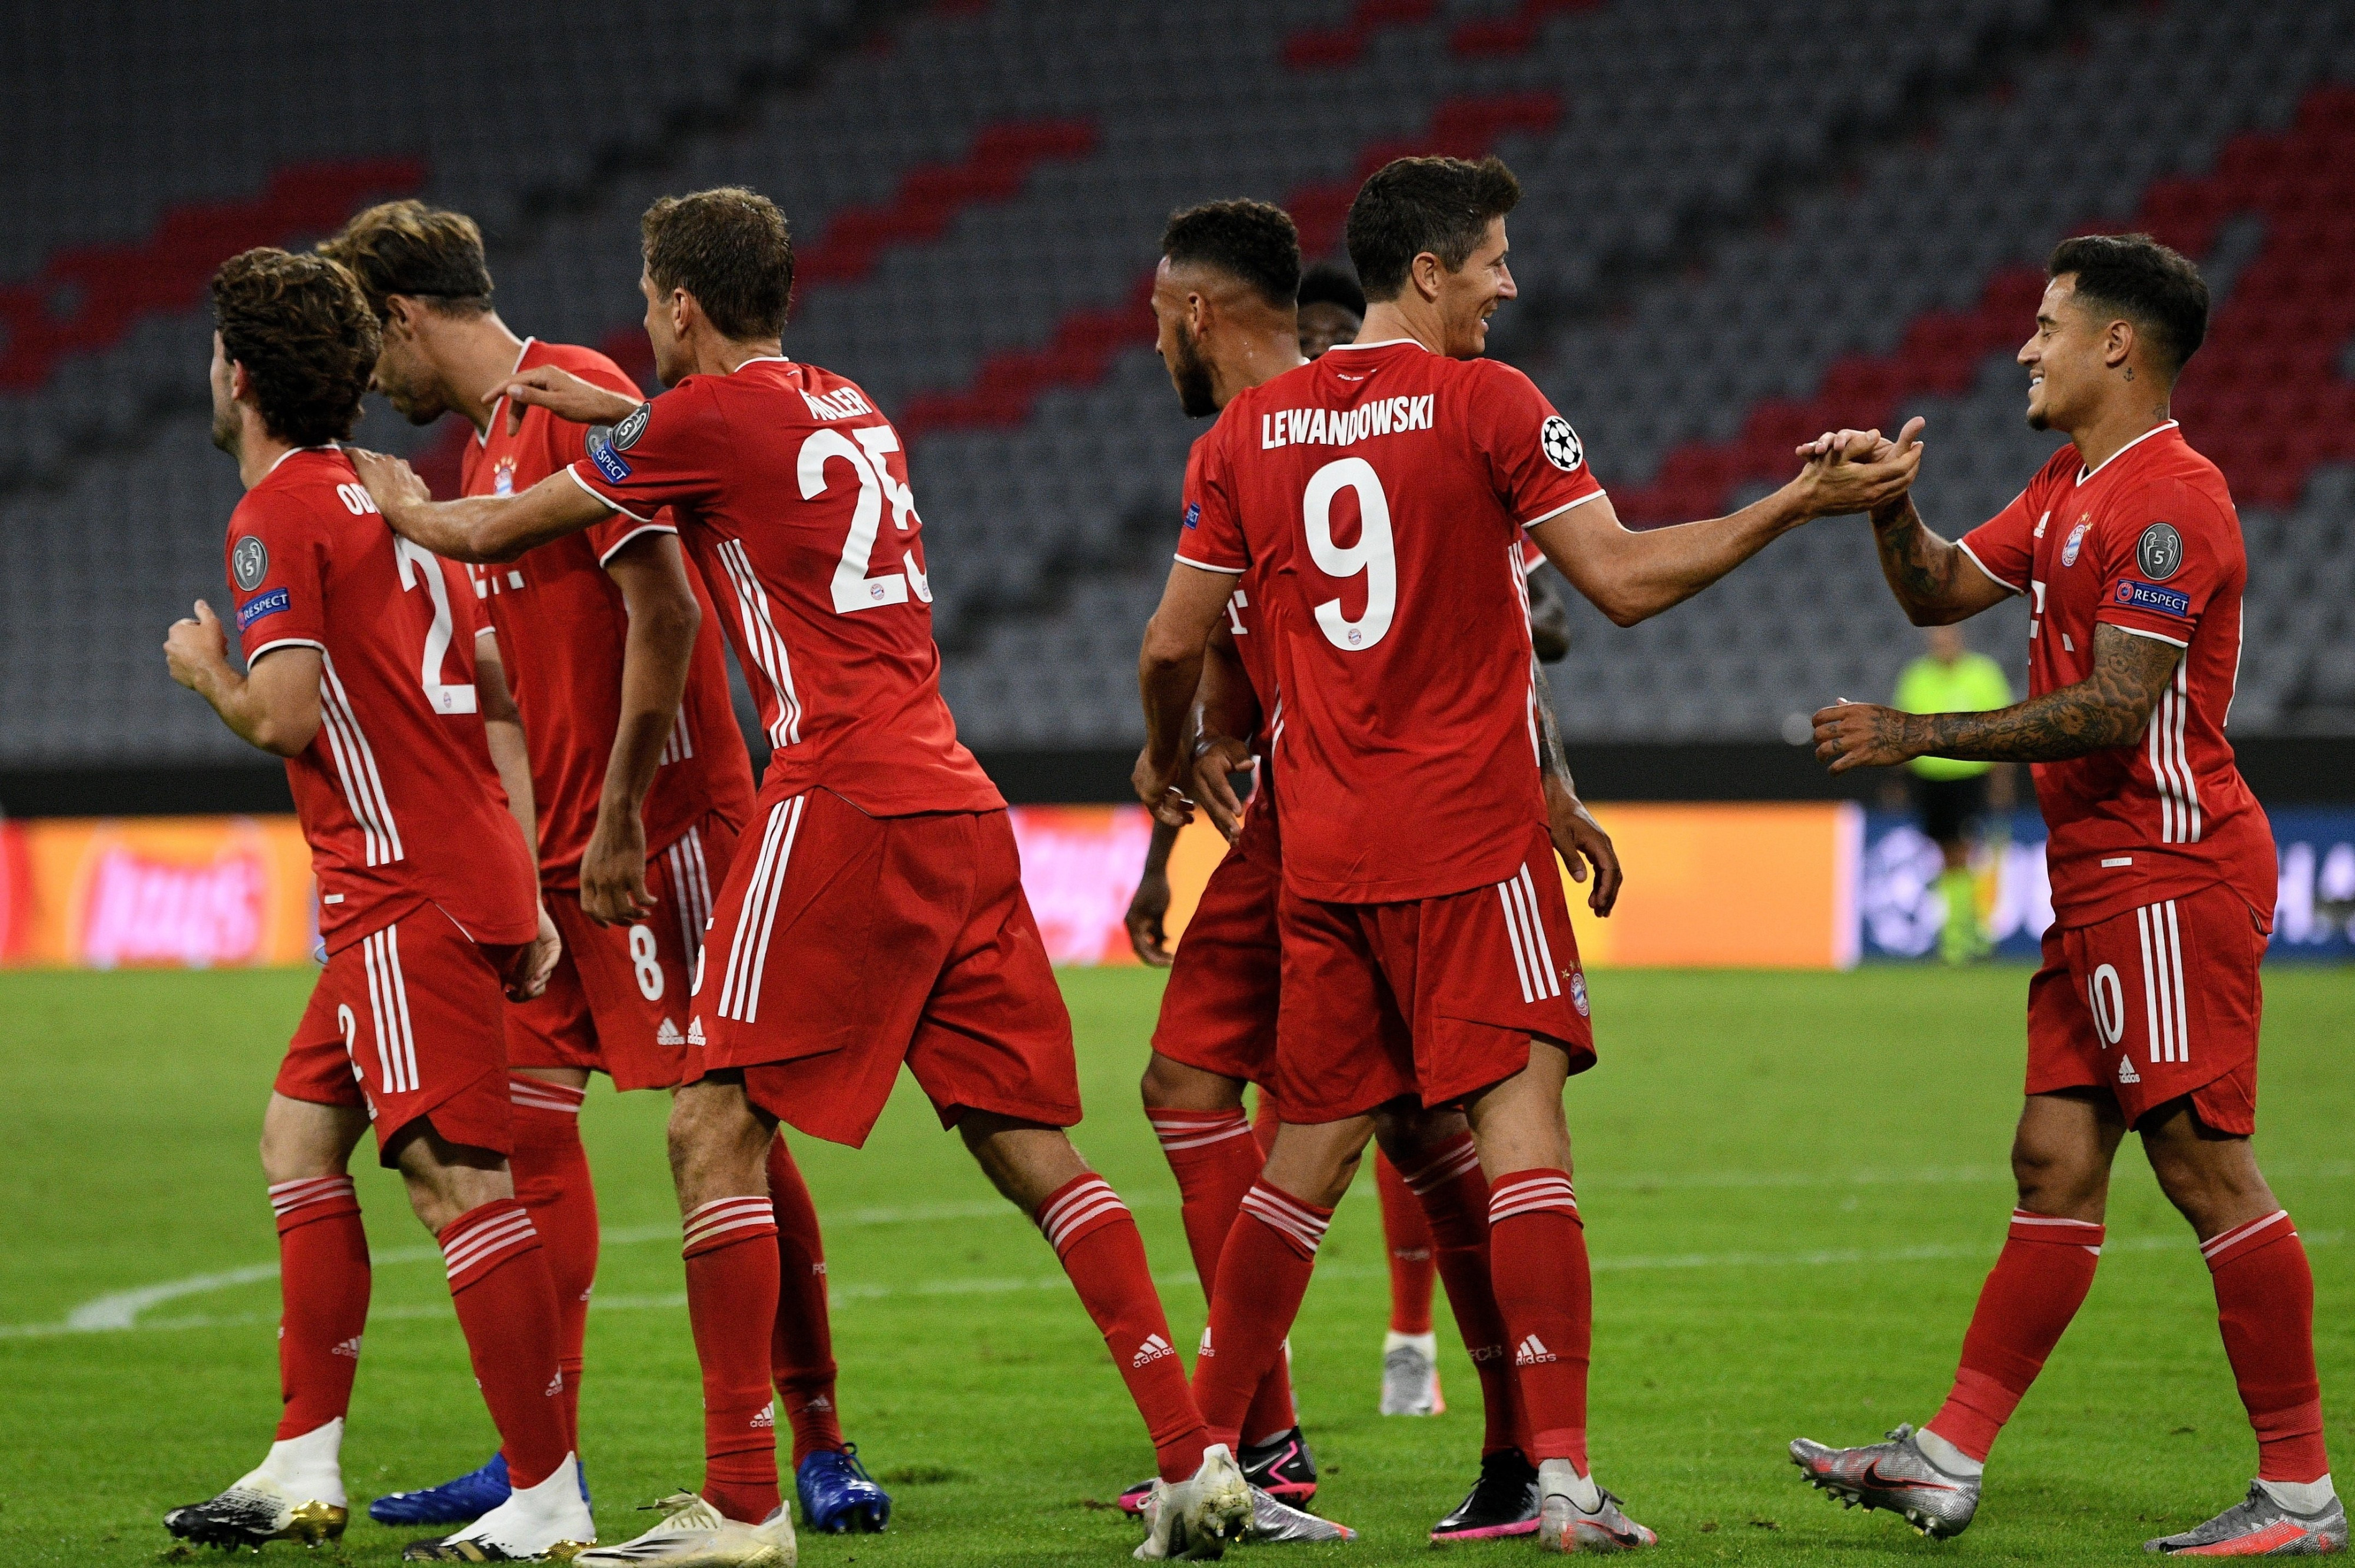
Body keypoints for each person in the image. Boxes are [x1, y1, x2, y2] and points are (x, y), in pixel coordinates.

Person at [351, 185, 1253, 1564]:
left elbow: (495, 534)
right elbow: (715, 451)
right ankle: (1195, 1464)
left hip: (838, 796)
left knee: (710, 1125)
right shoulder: (849, 403)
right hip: (956, 798)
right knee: (1034, 1152)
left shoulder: (695, 422)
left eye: (650, 298)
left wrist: (407, 506)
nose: (642, 319)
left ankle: (741, 1500)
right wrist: (618, 421)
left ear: (679, 305)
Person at [1135, 154, 1917, 1554]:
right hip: (1463, 838)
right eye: (1493, 257)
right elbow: (1616, 581)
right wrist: (1794, 506)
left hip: (1322, 855)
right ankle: (1557, 1476)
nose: (1510, 281)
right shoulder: (1489, 402)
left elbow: (1172, 642)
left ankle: (1201, 1462)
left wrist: (1171, 746)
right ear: (1426, 272)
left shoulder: (1242, 436)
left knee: (1297, 1162)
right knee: (1522, 1140)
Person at [316, 201, 886, 1537]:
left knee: (737, 1128)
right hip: (567, 855)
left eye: (366, 342)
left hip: (669, 833)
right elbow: (529, 681)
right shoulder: (483, 450)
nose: (366, 377)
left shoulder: (587, 400)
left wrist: (626, 810)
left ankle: (814, 1436)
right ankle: (540, 1460)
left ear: (403, 316)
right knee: (516, 1129)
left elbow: (669, 612)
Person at [1795, 234, 2340, 1553]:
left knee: (2201, 1164)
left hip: (2167, 867)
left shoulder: (2171, 503)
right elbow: (1935, 582)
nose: (2022, 346)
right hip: (2094, 876)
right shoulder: (2061, 483)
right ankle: (1944, 1455)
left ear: (2115, 343)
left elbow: (2113, 704)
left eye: (2044, 326)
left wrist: (1923, 735)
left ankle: (2301, 1490)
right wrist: (1884, 501)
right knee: (2051, 1162)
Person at [160, 247, 594, 1563]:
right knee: (301, 1137)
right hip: (450, 865)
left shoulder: (278, 515)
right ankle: (301, 1457)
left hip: (398, 888)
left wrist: (206, 674)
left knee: (454, 1178)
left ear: (239, 374)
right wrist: (517, 875)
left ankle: (548, 1490)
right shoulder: (388, 493)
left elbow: (287, 713)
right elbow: (488, 689)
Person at [1890, 624, 2014, 964]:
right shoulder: (1916, 676)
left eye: (1947, 638)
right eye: (1937, 638)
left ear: (1960, 640)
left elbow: (2003, 729)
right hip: (1930, 780)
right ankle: (1962, 933)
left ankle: (1961, 940)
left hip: (1968, 778)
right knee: (1946, 856)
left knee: (1962, 854)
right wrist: (1899, 782)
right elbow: (1901, 732)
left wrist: (2002, 782)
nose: (1942, 644)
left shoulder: (1982, 673)